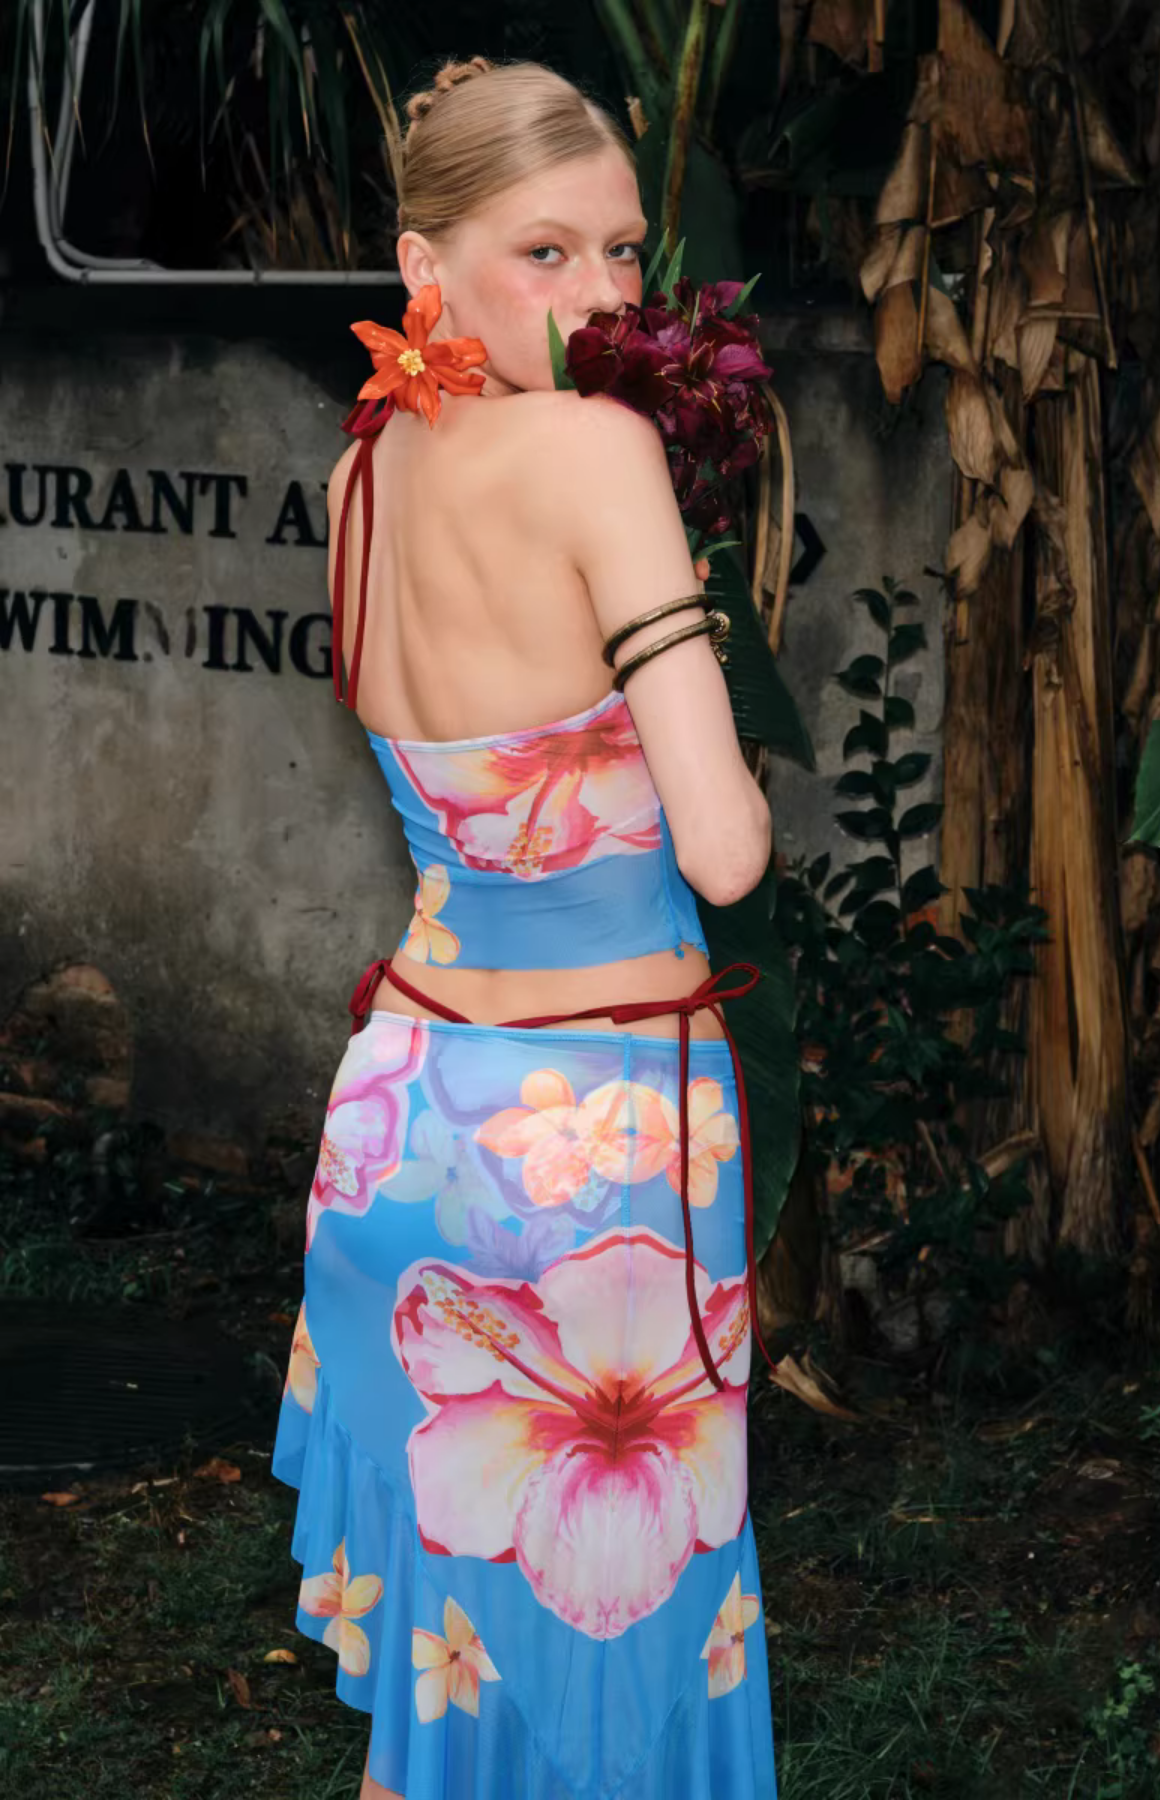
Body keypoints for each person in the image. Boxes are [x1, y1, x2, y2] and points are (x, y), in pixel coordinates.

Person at [270, 54, 779, 1800]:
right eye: (542, 253)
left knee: (455, 1693)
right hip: (597, 1156)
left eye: (621, 252)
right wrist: (688, 626)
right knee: (614, 1677)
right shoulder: (599, 452)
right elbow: (726, 851)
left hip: (401, 1129)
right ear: (426, 267)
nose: (601, 298)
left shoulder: (360, 477)